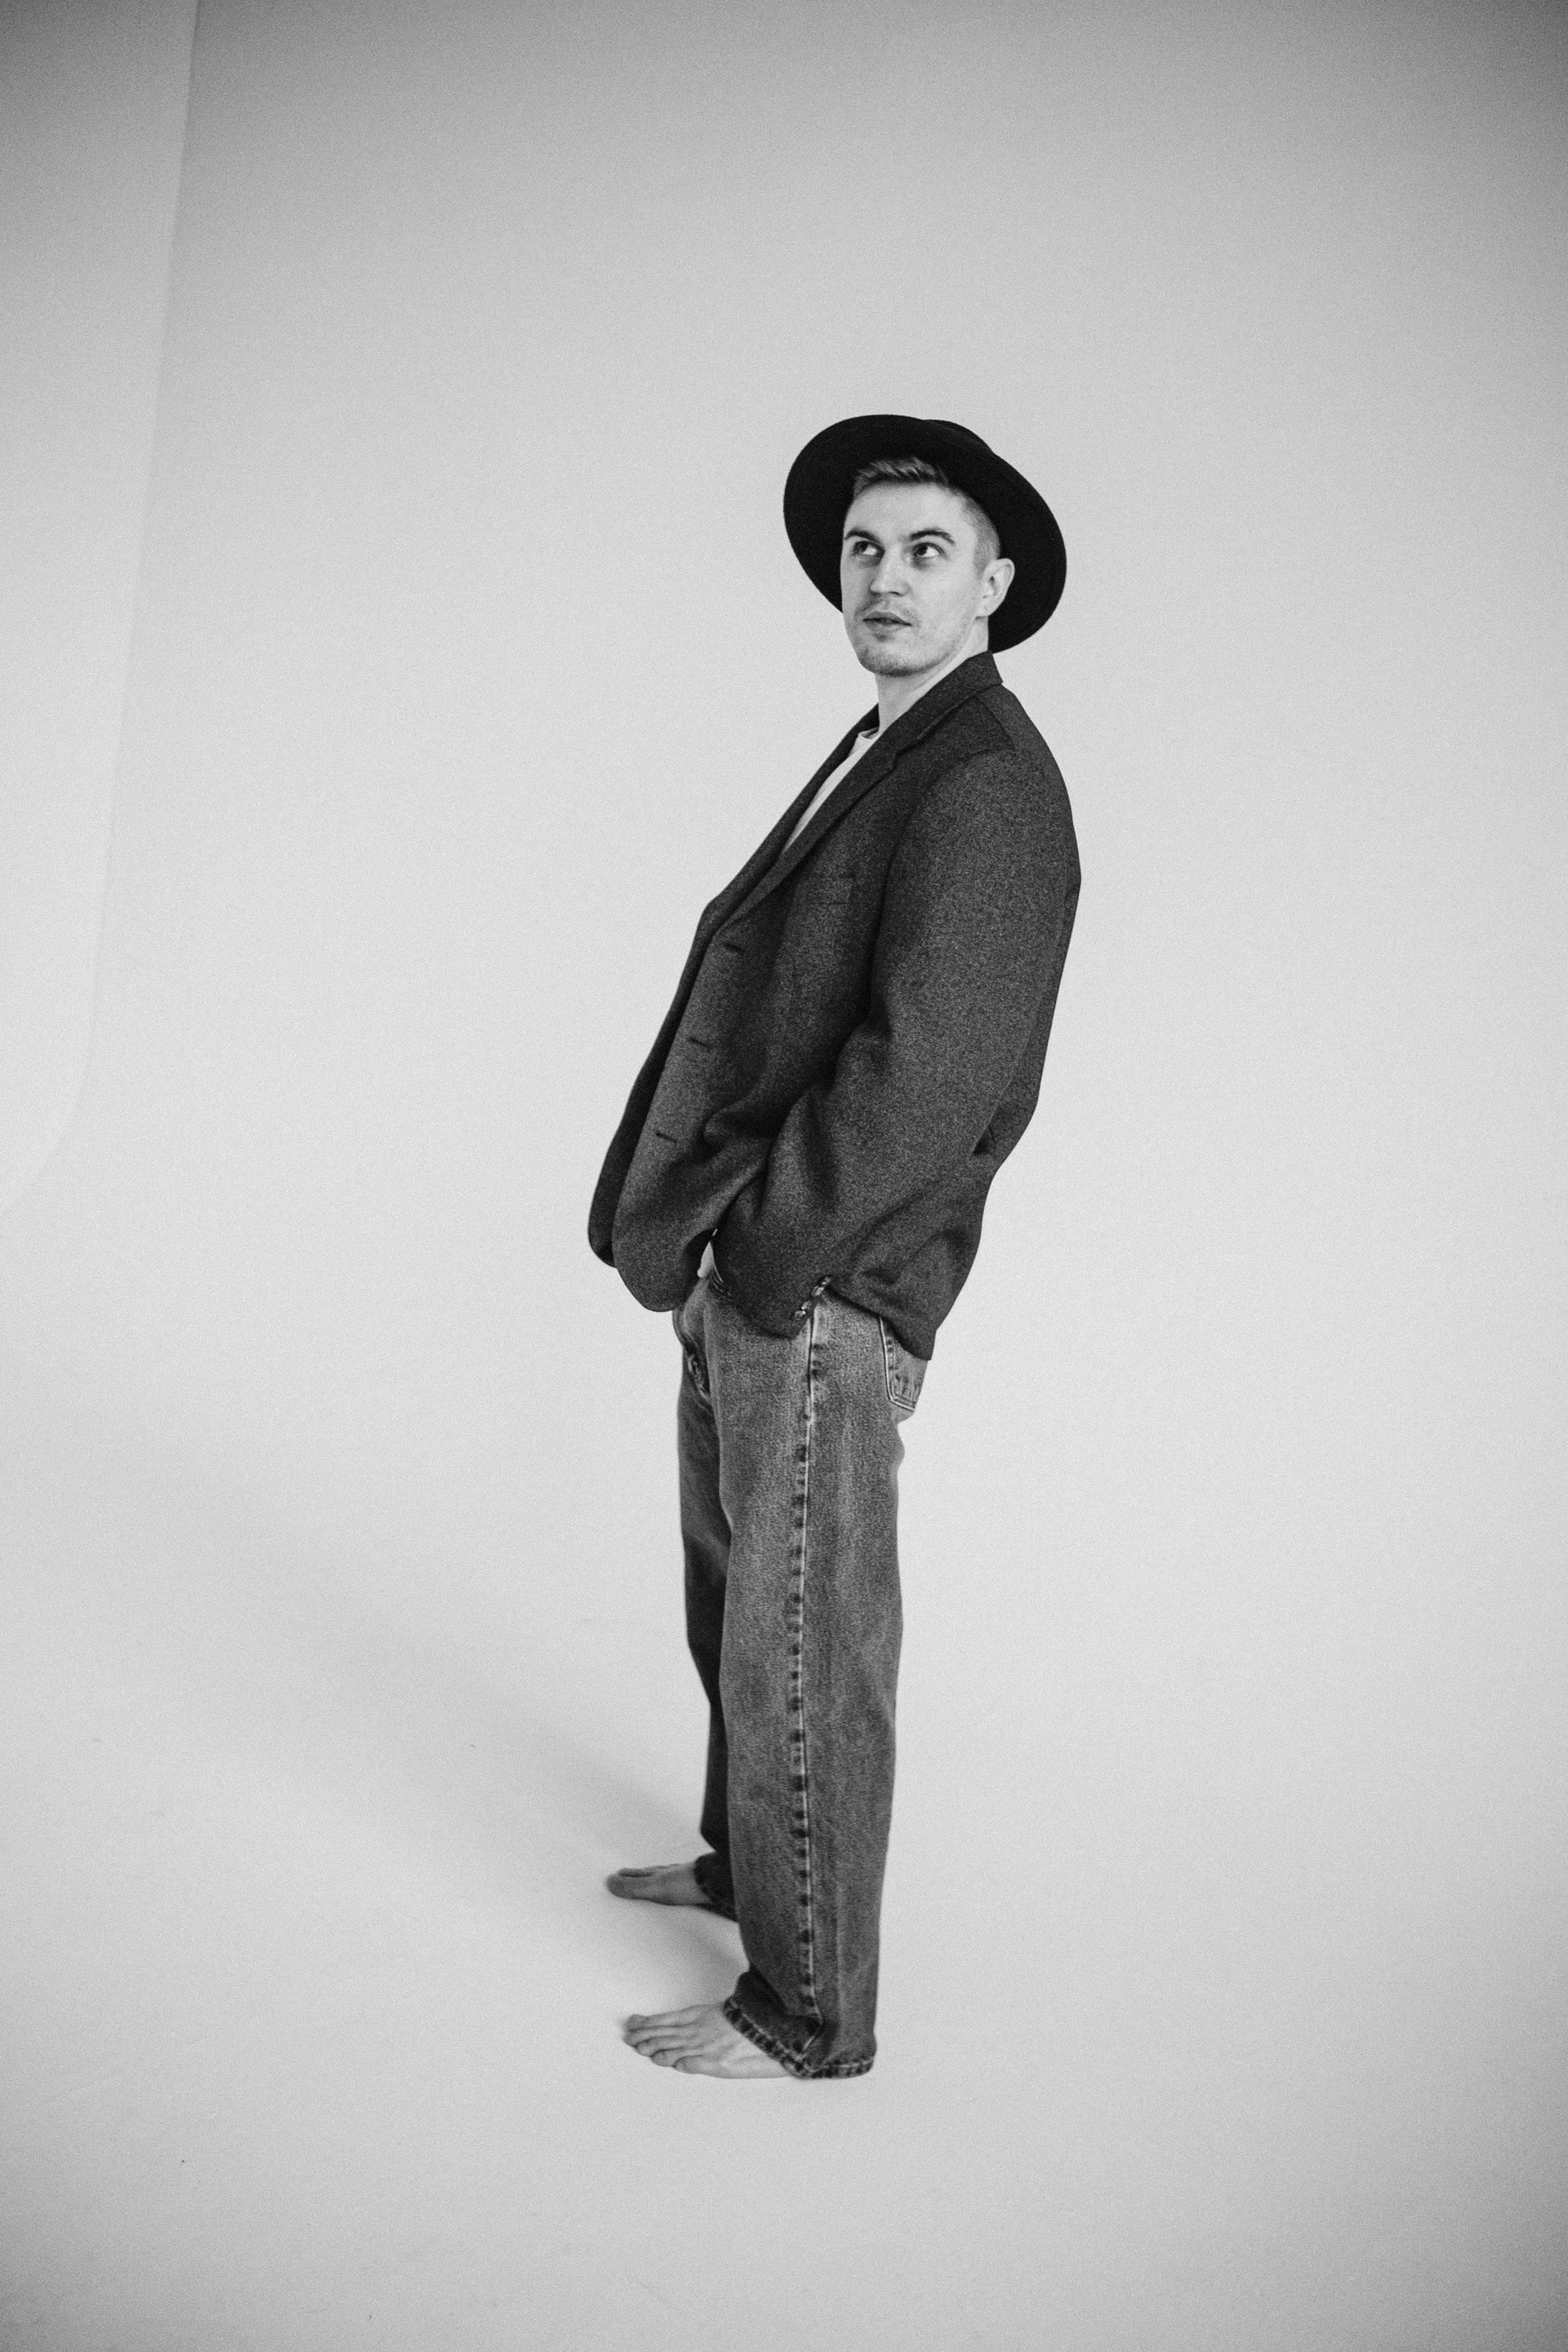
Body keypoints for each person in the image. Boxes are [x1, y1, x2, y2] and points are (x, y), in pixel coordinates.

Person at [589, 414, 1080, 2078]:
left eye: (927, 551)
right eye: (867, 550)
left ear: (992, 585)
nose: (885, 578)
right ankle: (751, 1872)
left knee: (806, 1646)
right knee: (743, 1605)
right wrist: (724, 1254)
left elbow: (930, 1075)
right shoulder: (892, 749)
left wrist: (772, 1254)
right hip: (759, 1267)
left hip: (822, 1281)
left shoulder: (985, 783)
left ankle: (807, 2015)